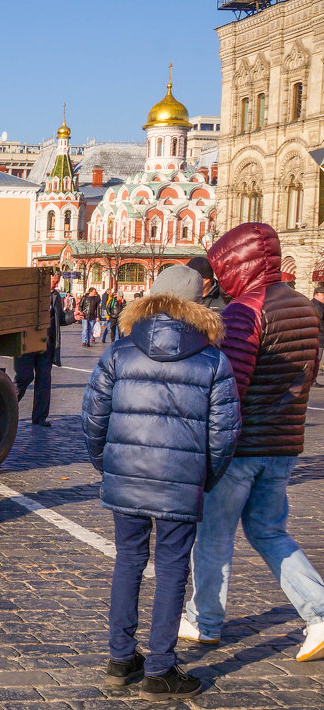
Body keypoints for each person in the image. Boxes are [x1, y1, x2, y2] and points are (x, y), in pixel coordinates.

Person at [82, 265, 240, 701]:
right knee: (172, 568)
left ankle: (120, 659)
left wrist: (108, 464)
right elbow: (225, 432)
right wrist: (204, 476)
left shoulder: (119, 351)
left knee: (128, 561)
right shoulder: (212, 358)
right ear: (195, 303)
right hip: (181, 480)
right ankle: (160, 668)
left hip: (127, 475)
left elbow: (93, 417)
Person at [180, 223, 324, 663]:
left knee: (213, 537)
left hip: (241, 447)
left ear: (237, 262)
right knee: (269, 531)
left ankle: (205, 620)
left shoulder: (245, 311)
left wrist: (206, 440)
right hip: (283, 442)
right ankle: (319, 612)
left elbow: (229, 387)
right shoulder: (304, 307)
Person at [14, 270, 69, 427]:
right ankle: (6, 405)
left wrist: (72, 317)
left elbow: (60, 318)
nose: (55, 285)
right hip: (28, 343)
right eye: (53, 282)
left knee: (44, 381)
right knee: (24, 377)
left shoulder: (56, 296)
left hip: (46, 345)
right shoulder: (28, 294)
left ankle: (39, 417)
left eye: (57, 282)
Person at [312, 284, 324, 388]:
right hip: (319, 337)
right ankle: (312, 380)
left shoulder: (318, 305)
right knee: (317, 358)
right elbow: (318, 322)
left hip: (319, 336)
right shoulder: (317, 306)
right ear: (316, 295)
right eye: (323, 295)